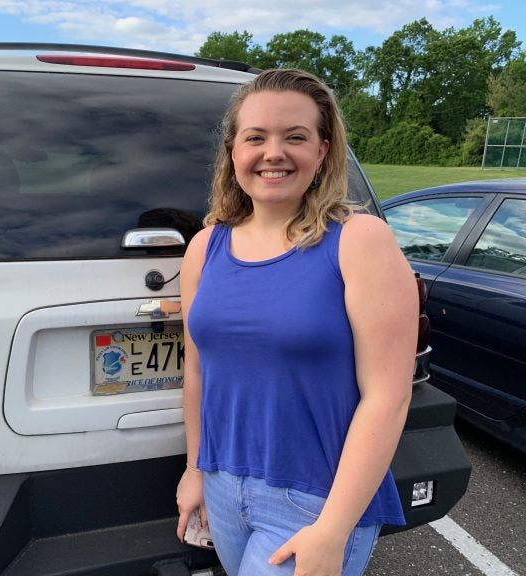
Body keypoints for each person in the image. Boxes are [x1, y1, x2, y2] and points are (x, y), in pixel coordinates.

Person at [175, 68, 418, 576]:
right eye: (256, 137)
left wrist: (333, 529)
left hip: (315, 500)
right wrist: (195, 470)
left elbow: (387, 397)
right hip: (223, 485)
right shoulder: (205, 247)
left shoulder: (359, 241)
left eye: (296, 137)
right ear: (233, 151)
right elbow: (197, 373)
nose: (273, 153)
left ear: (323, 150)